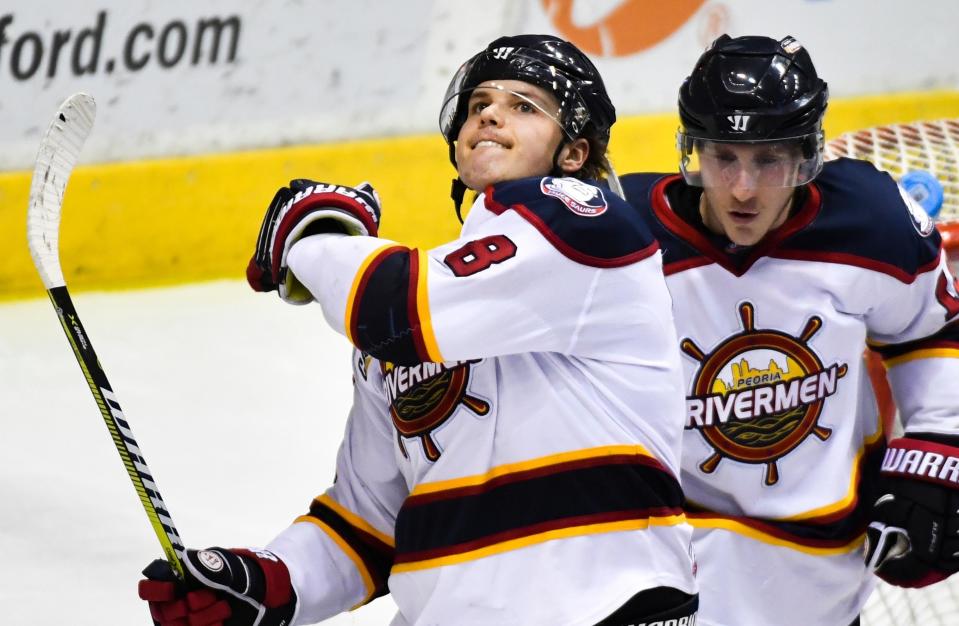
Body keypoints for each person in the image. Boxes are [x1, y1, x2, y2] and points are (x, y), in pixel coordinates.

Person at [137, 34, 699, 626]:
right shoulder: (413, 328)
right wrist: (267, 584)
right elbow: (370, 521)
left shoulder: (590, 229)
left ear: (574, 153)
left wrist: (311, 238)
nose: (490, 112)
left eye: (525, 105)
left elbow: (394, 305)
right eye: (480, 102)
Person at [620, 34, 959, 626]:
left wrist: (940, 439)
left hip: (817, 579)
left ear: (806, 156)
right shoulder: (620, 234)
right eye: (724, 157)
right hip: (664, 573)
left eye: (769, 159)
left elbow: (932, 328)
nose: (744, 189)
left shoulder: (870, 224)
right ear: (693, 151)